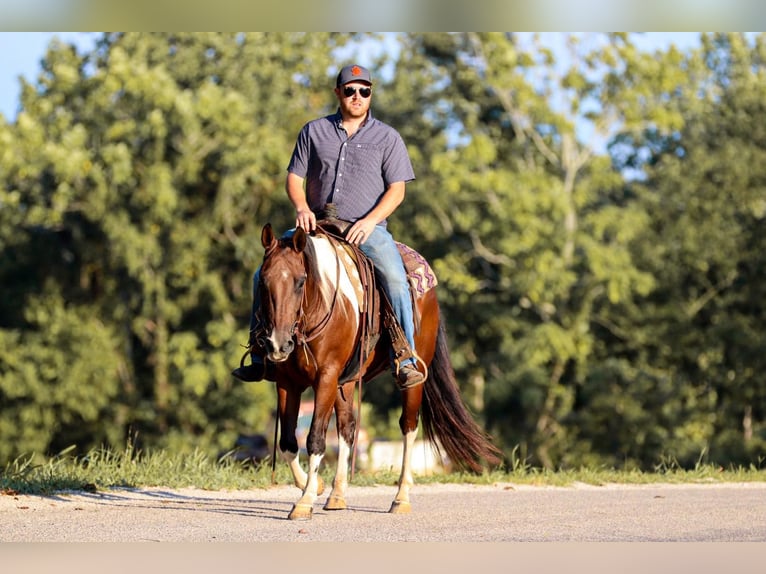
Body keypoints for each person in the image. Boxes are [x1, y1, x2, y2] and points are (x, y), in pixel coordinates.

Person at [232, 63, 425, 388]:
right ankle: (259, 353)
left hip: (366, 229)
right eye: (350, 90)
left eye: (364, 90)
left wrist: (370, 221)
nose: (357, 96)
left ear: (370, 94)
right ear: (338, 93)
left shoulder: (387, 138)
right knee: (262, 273)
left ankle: (404, 357)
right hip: (316, 227)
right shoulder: (313, 131)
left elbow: (398, 190)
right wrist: (302, 207)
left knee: (393, 276)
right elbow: (294, 177)